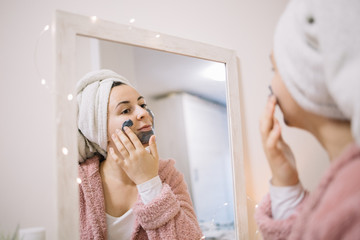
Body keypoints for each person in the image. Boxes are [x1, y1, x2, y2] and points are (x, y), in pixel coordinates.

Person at [255, 0, 360, 239]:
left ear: (307, 74)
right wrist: (286, 181)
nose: (271, 85)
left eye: (275, 69)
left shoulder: (352, 208)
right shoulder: (346, 190)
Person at [76, 69, 203, 240]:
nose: (143, 113)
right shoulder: (78, 183)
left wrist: (149, 182)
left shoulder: (170, 177)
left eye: (142, 105)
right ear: (99, 130)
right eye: (126, 110)